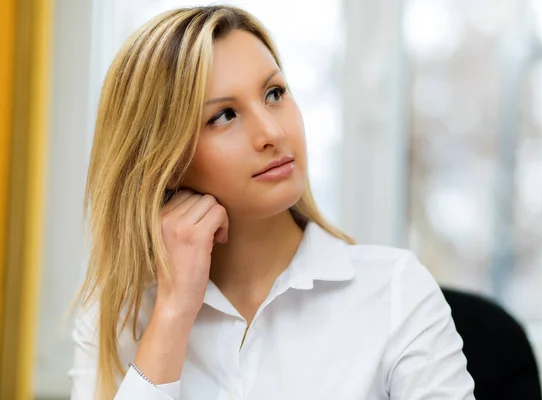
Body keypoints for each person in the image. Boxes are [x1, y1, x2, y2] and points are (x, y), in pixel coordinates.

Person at [69, 5, 475, 400]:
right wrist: (173, 314)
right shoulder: (116, 320)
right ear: (166, 161)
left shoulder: (395, 292)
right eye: (224, 116)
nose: (271, 132)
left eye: (274, 93)